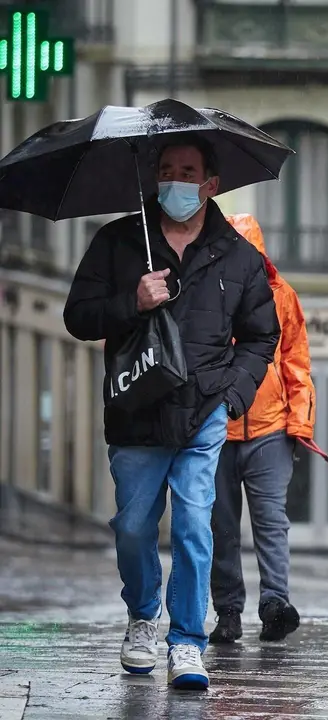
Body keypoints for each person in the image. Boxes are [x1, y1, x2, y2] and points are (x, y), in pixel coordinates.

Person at [62, 134, 280, 691]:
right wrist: (131, 302)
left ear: (210, 185)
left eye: (187, 172)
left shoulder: (239, 256)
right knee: (133, 528)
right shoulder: (117, 242)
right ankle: (142, 617)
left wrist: (233, 392)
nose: (175, 181)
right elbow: (79, 317)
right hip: (136, 410)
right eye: (166, 170)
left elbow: (261, 335)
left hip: (203, 410)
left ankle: (187, 641)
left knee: (193, 524)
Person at [208, 213, 315, 644]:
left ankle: (274, 603)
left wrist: (299, 421)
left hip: (270, 429)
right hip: (216, 429)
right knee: (221, 525)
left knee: (271, 521)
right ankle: (228, 611)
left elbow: (296, 362)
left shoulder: (282, 296)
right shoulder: (205, 293)